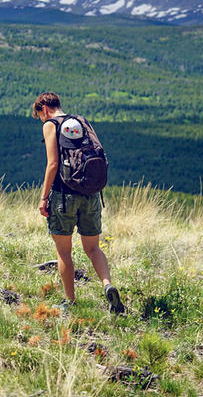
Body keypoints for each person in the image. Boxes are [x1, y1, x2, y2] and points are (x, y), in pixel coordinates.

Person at [32, 92, 124, 314]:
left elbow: (53, 164)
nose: (41, 121)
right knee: (93, 248)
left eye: (39, 116)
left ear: (44, 109)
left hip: (64, 196)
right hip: (92, 194)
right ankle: (107, 285)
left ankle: (70, 302)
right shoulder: (82, 121)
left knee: (64, 252)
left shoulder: (51, 124)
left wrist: (44, 197)